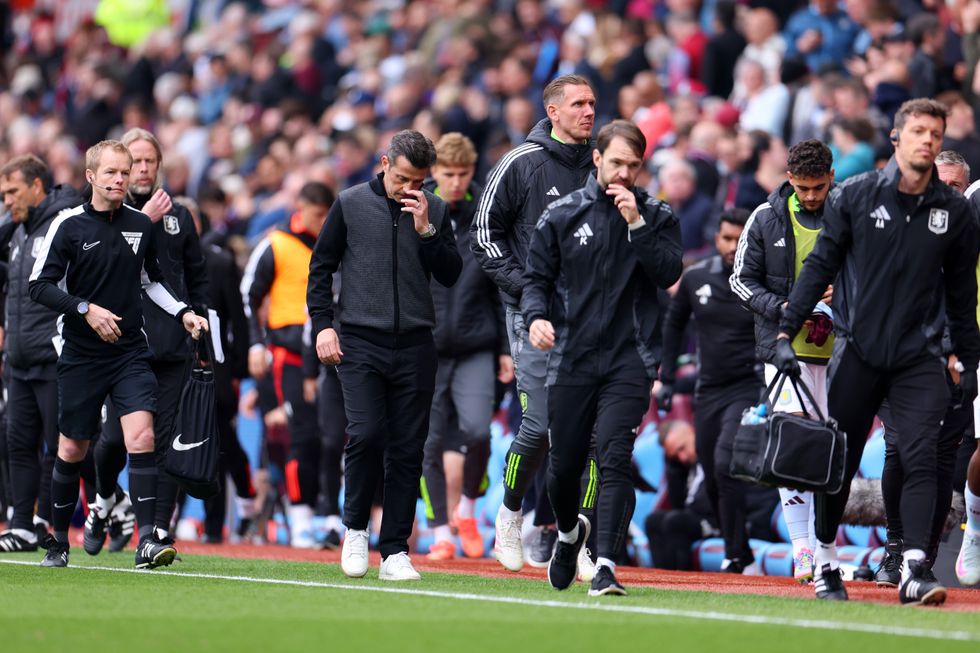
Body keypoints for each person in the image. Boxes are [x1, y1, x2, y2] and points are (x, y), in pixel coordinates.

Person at [775, 99, 980, 605]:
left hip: (919, 356)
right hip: (860, 351)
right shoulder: (857, 196)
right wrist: (784, 332)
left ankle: (913, 566)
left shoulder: (953, 211)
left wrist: (968, 360)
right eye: (918, 131)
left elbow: (961, 295)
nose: (927, 141)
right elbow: (820, 266)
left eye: (936, 132)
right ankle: (825, 561)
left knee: (921, 456)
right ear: (896, 139)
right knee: (839, 463)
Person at [28, 139, 209, 568]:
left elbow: (152, 281)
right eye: (111, 172)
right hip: (81, 355)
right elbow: (39, 285)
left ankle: (147, 541)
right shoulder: (68, 225)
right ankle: (57, 541)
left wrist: (183, 312)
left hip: (129, 352)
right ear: (90, 176)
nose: (120, 179)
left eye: (124, 172)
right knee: (72, 449)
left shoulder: (139, 224)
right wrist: (84, 310)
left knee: (142, 437)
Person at [522, 119, 683, 595]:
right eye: (615, 162)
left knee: (614, 456)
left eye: (633, 165)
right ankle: (569, 536)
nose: (623, 173)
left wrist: (637, 224)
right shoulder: (561, 215)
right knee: (564, 466)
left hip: (630, 360)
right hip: (571, 355)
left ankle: (606, 564)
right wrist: (535, 318)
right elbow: (536, 280)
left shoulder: (656, 215)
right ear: (596, 159)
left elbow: (668, 272)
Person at [307, 129, 461, 581]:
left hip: (416, 343)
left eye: (419, 181)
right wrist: (322, 325)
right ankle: (355, 529)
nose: (410, 188)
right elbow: (321, 266)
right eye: (403, 178)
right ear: (385, 162)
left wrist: (427, 230)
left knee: (408, 449)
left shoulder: (435, 209)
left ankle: (395, 550)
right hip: (359, 340)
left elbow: (451, 273)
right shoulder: (351, 202)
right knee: (368, 434)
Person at [470, 74, 598, 574]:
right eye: (579, 104)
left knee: (588, 436)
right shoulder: (519, 163)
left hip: (590, 319)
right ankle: (509, 514)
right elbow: (485, 235)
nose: (589, 111)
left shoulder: (600, 165)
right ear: (553, 111)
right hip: (533, 315)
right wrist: (528, 290)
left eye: (592, 103)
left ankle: (580, 540)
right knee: (540, 426)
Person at [86, 127, 210, 554]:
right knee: (113, 443)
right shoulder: (105, 212)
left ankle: (155, 531)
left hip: (173, 343)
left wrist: (201, 327)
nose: (141, 169)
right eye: (134, 161)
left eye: (149, 161)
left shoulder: (180, 215)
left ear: (159, 166)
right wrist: (146, 220)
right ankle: (104, 500)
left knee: (167, 442)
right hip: (121, 345)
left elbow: (197, 278)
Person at [729, 138, 837, 583]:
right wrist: (785, 306)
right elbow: (740, 281)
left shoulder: (850, 212)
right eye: (804, 187)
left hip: (846, 348)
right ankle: (804, 549)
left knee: (834, 452)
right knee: (796, 445)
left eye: (819, 187)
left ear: (832, 178)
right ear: (789, 179)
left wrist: (843, 293)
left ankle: (826, 546)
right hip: (786, 347)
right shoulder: (764, 217)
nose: (811, 195)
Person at [873, 150, 976, 587]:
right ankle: (896, 548)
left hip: (952, 359)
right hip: (899, 355)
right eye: (943, 184)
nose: (949, 194)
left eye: (957, 187)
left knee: (936, 459)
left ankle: (923, 557)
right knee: (899, 449)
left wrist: (959, 354)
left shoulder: (969, 235)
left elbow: (965, 302)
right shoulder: (901, 223)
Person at [420, 133, 512, 561]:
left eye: (463, 174)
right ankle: (440, 531)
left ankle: (469, 512)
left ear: (472, 171)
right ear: (434, 173)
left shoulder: (487, 212)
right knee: (427, 440)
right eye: (447, 174)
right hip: (428, 345)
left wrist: (507, 348)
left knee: (478, 431)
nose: (455, 182)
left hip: (477, 343)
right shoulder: (417, 209)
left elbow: (500, 284)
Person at [658, 208, 763, 573]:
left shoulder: (762, 279)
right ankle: (737, 545)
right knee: (709, 466)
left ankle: (736, 554)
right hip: (709, 388)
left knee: (724, 463)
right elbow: (673, 327)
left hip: (749, 386)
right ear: (716, 238)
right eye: (727, 238)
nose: (733, 247)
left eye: (740, 239)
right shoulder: (696, 277)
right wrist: (668, 378)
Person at [242, 181, 334, 548]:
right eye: (317, 214)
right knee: (301, 436)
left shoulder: (334, 243)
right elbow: (249, 295)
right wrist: (255, 344)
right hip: (288, 355)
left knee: (327, 439)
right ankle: (300, 518)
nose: (322, 221)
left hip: (330, 354)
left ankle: (324, 515)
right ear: (301, 208)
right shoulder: (276, 243)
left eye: (327, 215)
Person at [0, 155, 81, 552]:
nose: (7, 201)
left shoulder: (63, 225)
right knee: (18, 443)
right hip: (19, 358)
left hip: (53, 353)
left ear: (36, 186)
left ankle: (59, 520)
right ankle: (22, 526)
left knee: (62, 443)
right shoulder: (17, 233)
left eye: (13, 192)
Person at [180, 196, 257, 544]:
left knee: (217, 443)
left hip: (214, 367)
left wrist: (238, 367)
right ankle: (165, 522)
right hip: (171, 365)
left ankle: (215, 526)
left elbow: (237, 320)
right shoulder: (155, 263)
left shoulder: (220, 262)